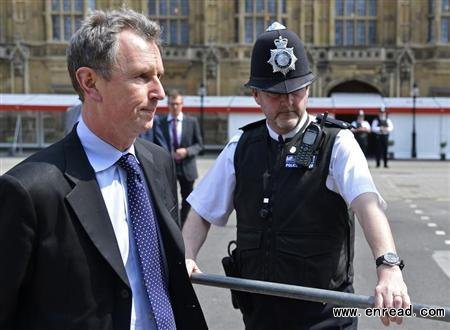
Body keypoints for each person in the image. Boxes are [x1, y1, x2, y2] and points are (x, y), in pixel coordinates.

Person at [182, 22, 409, 329]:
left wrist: (389, 266)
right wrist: (186, 255)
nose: (288, 102)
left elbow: (367, 203)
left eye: (295, 90)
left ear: (308, 88)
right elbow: (201, 211)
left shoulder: (337, 143)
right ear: (257, 96)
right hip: (260, 312)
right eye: (276, 94)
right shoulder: (241, 146)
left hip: (324, 315)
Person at [0, 8, 207, 330]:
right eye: (142, 76)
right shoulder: (28, 190)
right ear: (90, 82)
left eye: (159, 76)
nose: (160, 93)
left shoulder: (157, 162)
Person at [160, 90, 203, 227]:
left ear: (182, 104)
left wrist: (187, 151)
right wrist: (167, 154)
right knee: (168, 199)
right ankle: (172, 226)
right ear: (168, 105)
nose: (175, 107)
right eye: (172, 104)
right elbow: (154, 143)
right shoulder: (159, 123)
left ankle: (183, 225)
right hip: (167, 167)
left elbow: (199, 145)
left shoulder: (191, 122)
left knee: (187, 199)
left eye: (177, 104)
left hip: (187, 167)